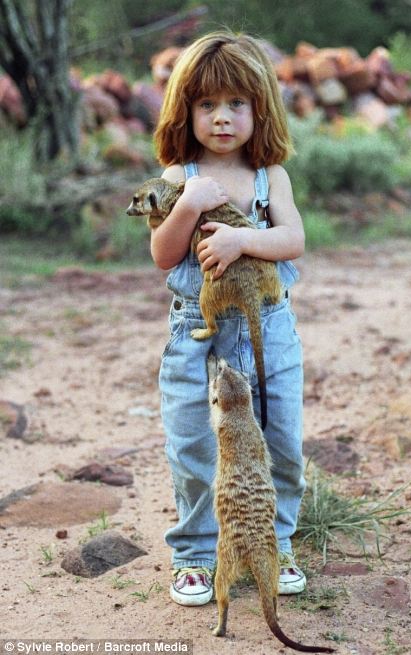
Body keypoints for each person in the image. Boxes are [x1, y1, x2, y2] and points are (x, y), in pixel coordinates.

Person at [151, 31, 307, 606]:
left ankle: (277, 541)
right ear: (185, 110)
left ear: (259, 107)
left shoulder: (272, 177)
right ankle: (194, 554)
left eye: (236, 104)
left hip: (269, 328)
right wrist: (188, 205)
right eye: (207, 105)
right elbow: (164, 256)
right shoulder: (177, 178)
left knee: (279, 438)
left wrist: (244, 238)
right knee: (194, 443)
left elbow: (293, 239)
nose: (222, 118)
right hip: (197, 333)